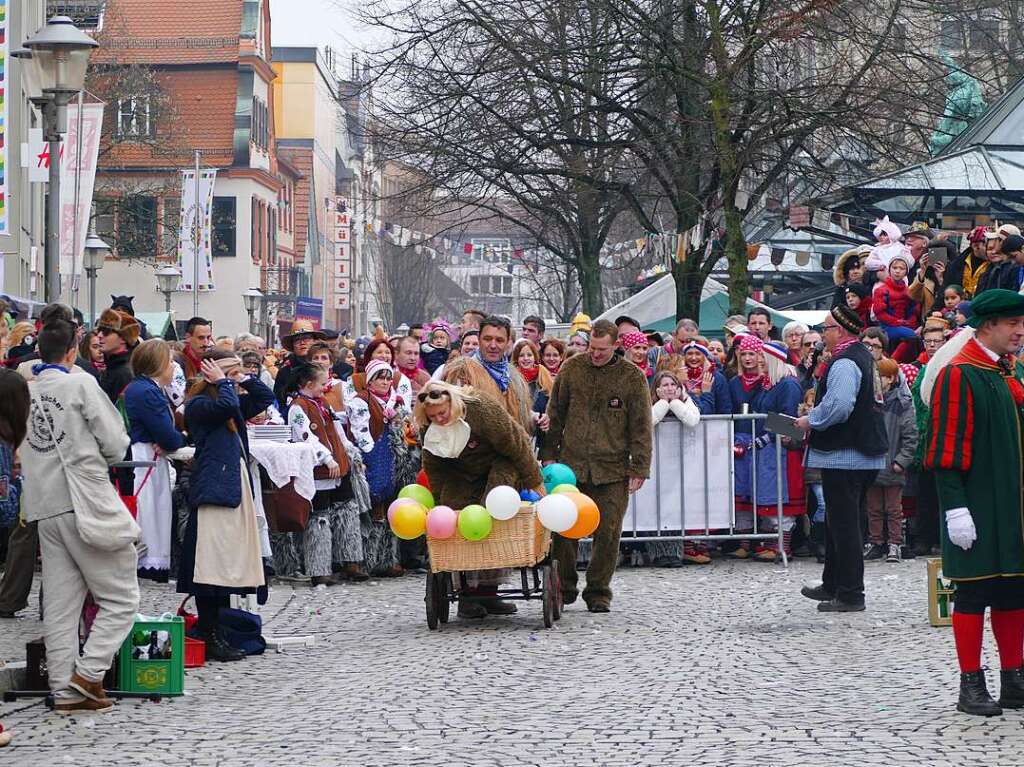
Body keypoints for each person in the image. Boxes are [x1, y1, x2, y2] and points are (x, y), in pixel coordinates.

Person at [21, 318, 139, 712]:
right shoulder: (80, 382)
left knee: (60, 604)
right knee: (121, 598)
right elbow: (115, 440)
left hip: (44, 504)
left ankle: (64, 690)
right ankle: (88, 675)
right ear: (73, 351)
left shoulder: (27, 389)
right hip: (86, 501)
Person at [922, 289, 1024, 716]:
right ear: (987, 326)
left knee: (1012, 591)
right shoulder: (958, 374)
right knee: (973, 594)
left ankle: (1013, 679)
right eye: (1012, 324)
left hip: (1011, 506)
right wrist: (956, 509)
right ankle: (971, 684)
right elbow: (946, 449)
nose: (1020, 332)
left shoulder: (1004, 373)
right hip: (978, 505)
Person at [541, 319, 653, 612]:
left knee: (609, 531)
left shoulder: (632, 377)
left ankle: (598, 591)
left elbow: (641, 427)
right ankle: (564, 587)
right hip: (571, 464)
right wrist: (548, 453)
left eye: (602, 349)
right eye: (592, 347)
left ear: (616, 345)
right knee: (564, 530)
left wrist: (639, 467)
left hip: (613, 468)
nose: (595, 353)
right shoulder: (572, 368)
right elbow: (556, 412)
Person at [416, 381, 545, 617]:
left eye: (442, 413)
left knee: (492, 510)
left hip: (501, 463)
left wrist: (534, 480)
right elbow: (434, 466)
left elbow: (516, 443)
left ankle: (489, 590)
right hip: (461, 471)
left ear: (452, 404)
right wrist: (439, 503)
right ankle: (467, 592)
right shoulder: (429, 426)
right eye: (433, 416)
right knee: (456, 517)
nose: (439, 419)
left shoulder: (480, 409)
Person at [181, 351, 275, 662]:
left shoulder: (230, 399)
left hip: (233, 486)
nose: (235, 381)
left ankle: (218, 630)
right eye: (230, 373)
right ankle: (208, 632)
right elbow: (226, 406)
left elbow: (265, 397)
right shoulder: (200, 404)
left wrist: (243, 378)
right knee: (211, 566)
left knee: (225, 564)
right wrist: (222, 382)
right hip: (215, 488)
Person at [796, 304, 887, 612]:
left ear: (841, 331)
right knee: (841, 522)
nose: (823, 335)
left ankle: (850, 592)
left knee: (845, 525)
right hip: (858, 453)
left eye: (826, 329)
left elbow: (839, 407)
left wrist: (811, 419)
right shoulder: (862, 357)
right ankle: (834, 582)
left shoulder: (846, 362)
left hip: (846, 454)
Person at [286, 362, 367, 585]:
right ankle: (319, 568)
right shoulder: (297, 407)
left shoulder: (322, 403)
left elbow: (337, 430)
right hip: (319, 470)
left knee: (347, 512)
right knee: (319, 519)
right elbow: (305, 437)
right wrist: (326, 457)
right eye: (322, 383)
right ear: (309, 384)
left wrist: (349, 451)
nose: (326, 387)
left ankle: (350, 560)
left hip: (339, 466)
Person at [728, 337, 803, 560]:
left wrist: (766, 437)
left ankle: (781, 546)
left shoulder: (787, 384)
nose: (757, 359)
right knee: (765, 493)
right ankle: (768, 544)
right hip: (768, 448)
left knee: (778, 495)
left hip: (781, 448)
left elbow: (789, 418)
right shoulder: (769, 384)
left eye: (762, 356)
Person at [123, 340, 186, 582]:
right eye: (170, 362)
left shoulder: (143, 388)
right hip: (144, 458)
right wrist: (182, 438)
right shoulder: (147, 392)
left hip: (147, 456)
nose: (173, 367)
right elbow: (167, 437)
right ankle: (148, 566)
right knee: (148, 513)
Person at [347, 359, 416, 577]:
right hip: (372, 458)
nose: (385, 382)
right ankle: (364, 560)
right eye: (380, 377)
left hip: (394, 458)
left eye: (388, 377)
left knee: (389, 506)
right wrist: (371, 456)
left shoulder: (396, 403)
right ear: (370, 381)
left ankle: (387, 559)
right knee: (370, 506)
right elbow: (360, 433)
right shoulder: (360, 401)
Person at [863, 357, 917, 563]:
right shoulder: (869, 402)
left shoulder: (902, 402)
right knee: (874, 507)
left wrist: (901, 461)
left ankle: (895, 543)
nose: (880, 380)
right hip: (871, 463)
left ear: (892, 378)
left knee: (894, 509)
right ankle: (876, 542)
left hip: (893, 464)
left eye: (884, 376)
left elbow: (911, 436)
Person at [442, 316, 534, 435]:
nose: (493, 345)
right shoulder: (462, 371)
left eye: (499, 340)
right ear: (479, 339)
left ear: (507, 342)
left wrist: (535, 417)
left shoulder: (513, 376)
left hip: (508, 448)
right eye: (487, 339)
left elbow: (521, 416)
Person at [274, 319, 327, 409]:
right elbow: (279, 402)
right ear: (292, 345)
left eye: (306, 338)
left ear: (314, 341)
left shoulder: (325, 365)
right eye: (297, 339)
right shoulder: (285, 372)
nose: (302, 343)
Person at [95, 309, 142, 404]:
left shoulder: (125, 373)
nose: (99, 335)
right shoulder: (113, 367)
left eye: (106, 331)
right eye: (99, 330)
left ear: (123, 338)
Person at [680, 341, 731, 415]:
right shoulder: (679, 377)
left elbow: (725, 408)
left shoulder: (716, 377)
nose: (693, 358)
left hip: (712, 425)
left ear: (704, 356)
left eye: (698, 354)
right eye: (689, 354)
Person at [175, 317, 214, 381]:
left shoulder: (212, 362)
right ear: (188, 337)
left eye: (208, 337)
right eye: (201, 337)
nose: (206, 342)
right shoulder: (178, 363)